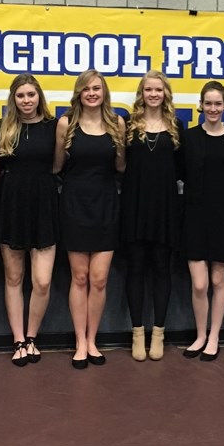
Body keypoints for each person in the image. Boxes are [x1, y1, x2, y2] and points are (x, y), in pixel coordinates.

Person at [53, 69, 126, 369]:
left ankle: (93, 340)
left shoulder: (117, 123)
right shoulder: (65, 124)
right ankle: (79, 342)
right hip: (74, 205)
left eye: (97, 88)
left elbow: (121, 166)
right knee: (79, 277)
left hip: (106, 204)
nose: (92, 93)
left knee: (99, 279)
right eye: (86, 89)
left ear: (104, 92)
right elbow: (57, 166)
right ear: (79, 93)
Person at [0, 74, 59, 366]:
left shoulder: (54, 126)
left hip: (44, 204)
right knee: (14, 277)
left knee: (42, 281)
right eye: (21, 96)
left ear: (39, 96)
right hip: (11, 205)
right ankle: (18, 340)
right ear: (13, 99)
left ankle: (32, 337)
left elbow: (58, 165)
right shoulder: (1, 127)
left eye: (31, 94)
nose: (26, 100)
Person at [120, 70, 182, 362]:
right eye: (148, 89)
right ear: (141, 93)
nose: (153, 94)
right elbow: (120, 165)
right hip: (134, 206)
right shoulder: (129, 126)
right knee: (135, 269)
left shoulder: (176, 126)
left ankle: (159, 331)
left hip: (165, 208)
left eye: (159, 89)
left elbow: (181, 169)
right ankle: (137, 332)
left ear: (165, 93)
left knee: (161, 268)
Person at [180, 81, 224, 361]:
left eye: (218, 104)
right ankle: (200, 335)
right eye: (208, 103)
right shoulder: (190, 137)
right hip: (194, 215)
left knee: (219, 280)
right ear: (201, 106)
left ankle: (214, 336)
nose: (213, 108)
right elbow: (180, 174)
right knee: (199, 284)